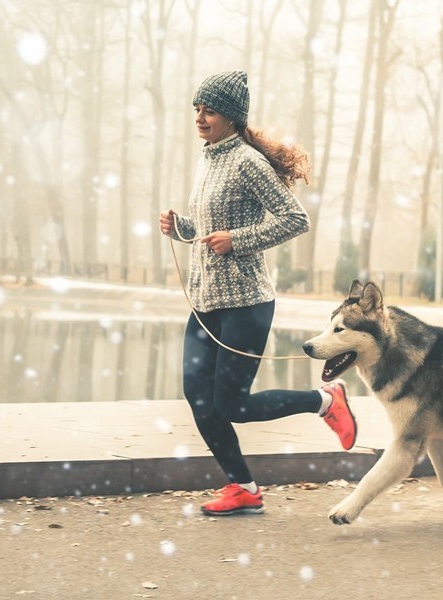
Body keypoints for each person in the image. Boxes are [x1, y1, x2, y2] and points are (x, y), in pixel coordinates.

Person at [159, 71, 357, 517]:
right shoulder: (207, 157)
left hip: (246, 303)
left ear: (231, 116)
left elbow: (294, 219)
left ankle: (325, 400)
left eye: (208, 110)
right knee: (198, 396)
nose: (200, 117)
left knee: (233, 404)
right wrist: (182, 228)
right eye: (197, 110)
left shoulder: (248, 162)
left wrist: (239, 239)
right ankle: (243, 487)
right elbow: (212, 231)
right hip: (206, 303)